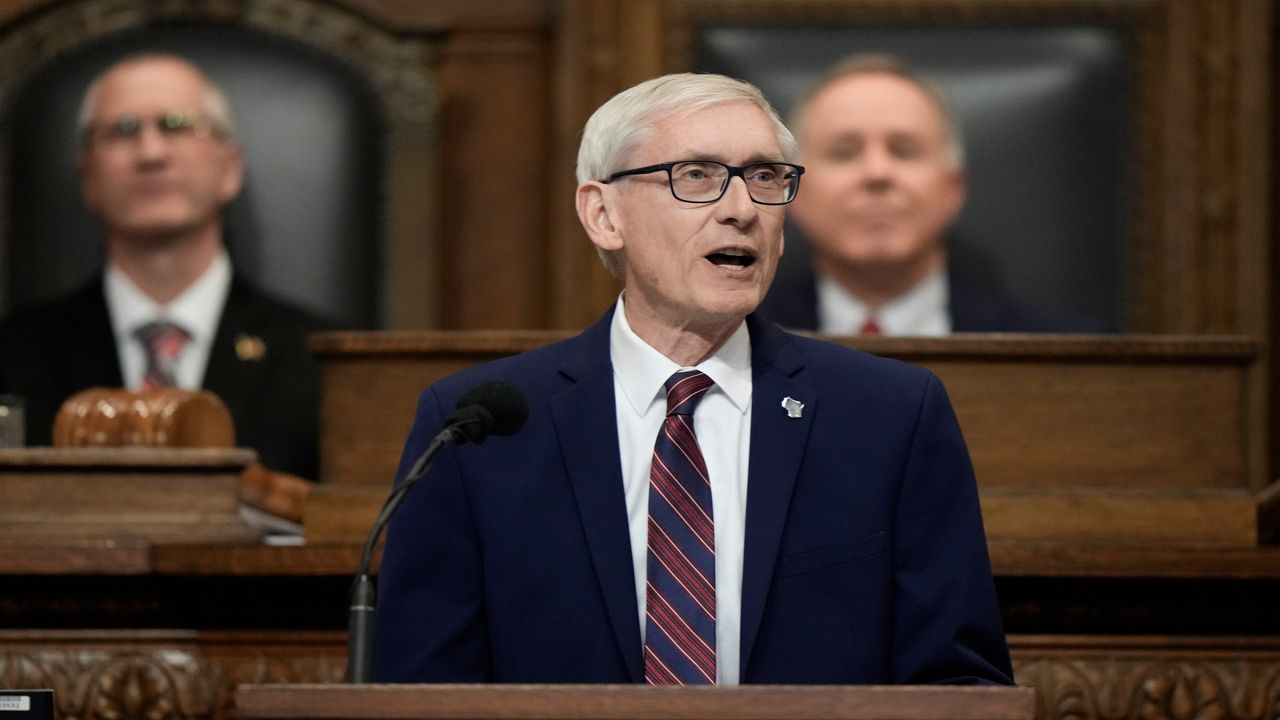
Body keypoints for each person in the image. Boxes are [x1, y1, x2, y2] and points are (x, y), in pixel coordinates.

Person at [373, 72, 1012, 685]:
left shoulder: (889, 417)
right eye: (697, 176)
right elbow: (422, 690)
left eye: (765, 177)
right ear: (603, 214)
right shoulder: (478, 430)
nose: (742, 209)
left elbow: (958, 682)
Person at [0, 53, 327, 479]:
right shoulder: (13, 358)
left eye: (176, 124)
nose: (150, 152)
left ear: (230, 166)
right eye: (123, 130)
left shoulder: (318, 362)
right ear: (88, 177)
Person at [757, 53, 1095, 335]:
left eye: (904, 151)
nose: (877, 173)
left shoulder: (1060, 351)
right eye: (844, 153)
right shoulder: (739, 341)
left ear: (952, 188)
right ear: (794, 189)